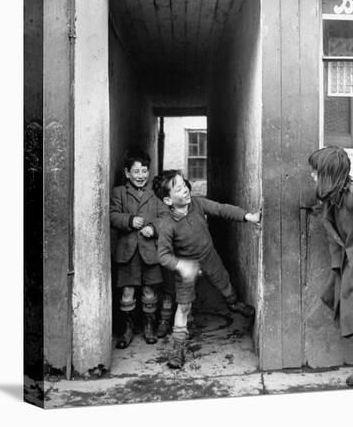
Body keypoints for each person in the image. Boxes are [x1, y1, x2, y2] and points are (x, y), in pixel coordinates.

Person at [152, 169, 261, 369]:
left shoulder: (198, 203)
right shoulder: (167, 225)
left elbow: (221, 209)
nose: (185, 190)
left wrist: (248, 217)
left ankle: (234, 304)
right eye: (178, 189)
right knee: (183, 306)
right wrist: (181, 265)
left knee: (225, 283)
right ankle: (177, 348)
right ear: (168, 201)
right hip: (186, 265)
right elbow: (163, 256)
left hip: (209, 255)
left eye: (184, 185)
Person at [308, 146, 353, 388]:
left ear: (328, 174)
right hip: (349, 260)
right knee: (344, 306)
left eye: (315, 172)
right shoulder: (333, 197)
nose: (312, 176)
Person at [110, 148, 171, 348]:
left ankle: (149, 328)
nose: (140, 176)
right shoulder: (119, 192)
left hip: (149, 253)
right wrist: (129, 220)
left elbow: (165, 218)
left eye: (144, 171)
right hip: (127, 253)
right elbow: (111, 215)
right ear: (127, 173)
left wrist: (152, 228)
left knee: (149, 293)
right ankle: (127, 331)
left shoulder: (155, 195)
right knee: (127, 293)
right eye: (136, 172)